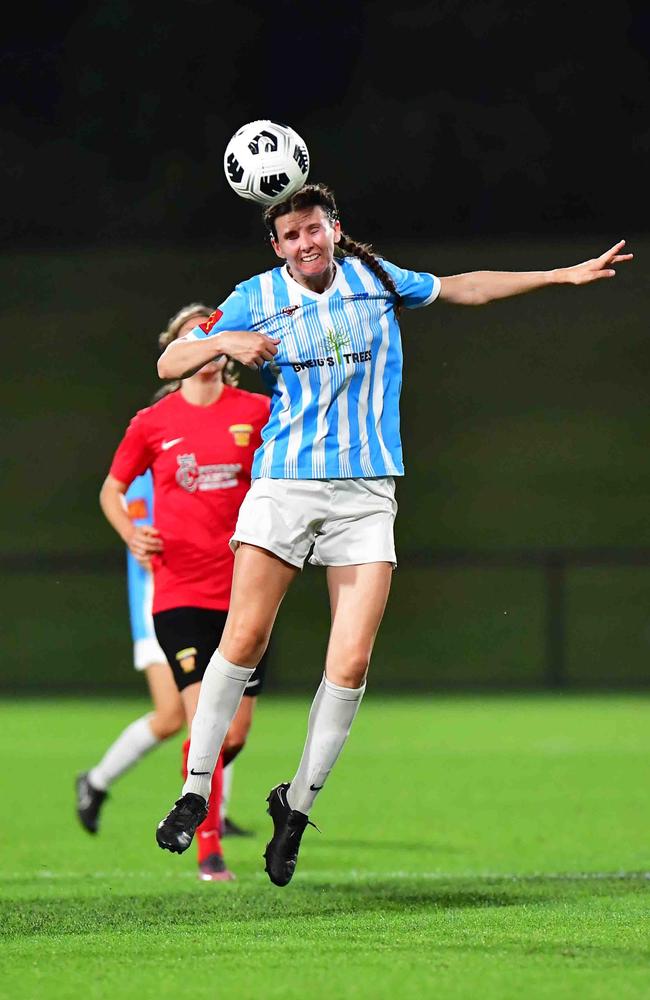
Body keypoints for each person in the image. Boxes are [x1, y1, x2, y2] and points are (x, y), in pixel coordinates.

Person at [153, 183, 633, 887]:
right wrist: (221, 338)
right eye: (290, 236)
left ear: (334, 228)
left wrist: (559, 274)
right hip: (285, 484)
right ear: (277, 246)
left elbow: (464, 288)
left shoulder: (376, 279)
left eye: (313, 229)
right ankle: (195, 791)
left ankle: (295, 806)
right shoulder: (255, 295)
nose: (304, 243)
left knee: (349, 664)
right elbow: (168, 364)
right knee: (244, 638)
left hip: (366, 494)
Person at [79, 303, 271, 880]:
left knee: (233, 733)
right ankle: (207, 846)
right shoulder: (152, 423)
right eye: (195, 335)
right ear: (177, 350)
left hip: (246, 593)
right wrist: (133, 534)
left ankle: (194, 803)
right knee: (201, 724)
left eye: (215, 335)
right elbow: (112, 491)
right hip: (179, 594)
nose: (206, 344)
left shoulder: (258, 412)